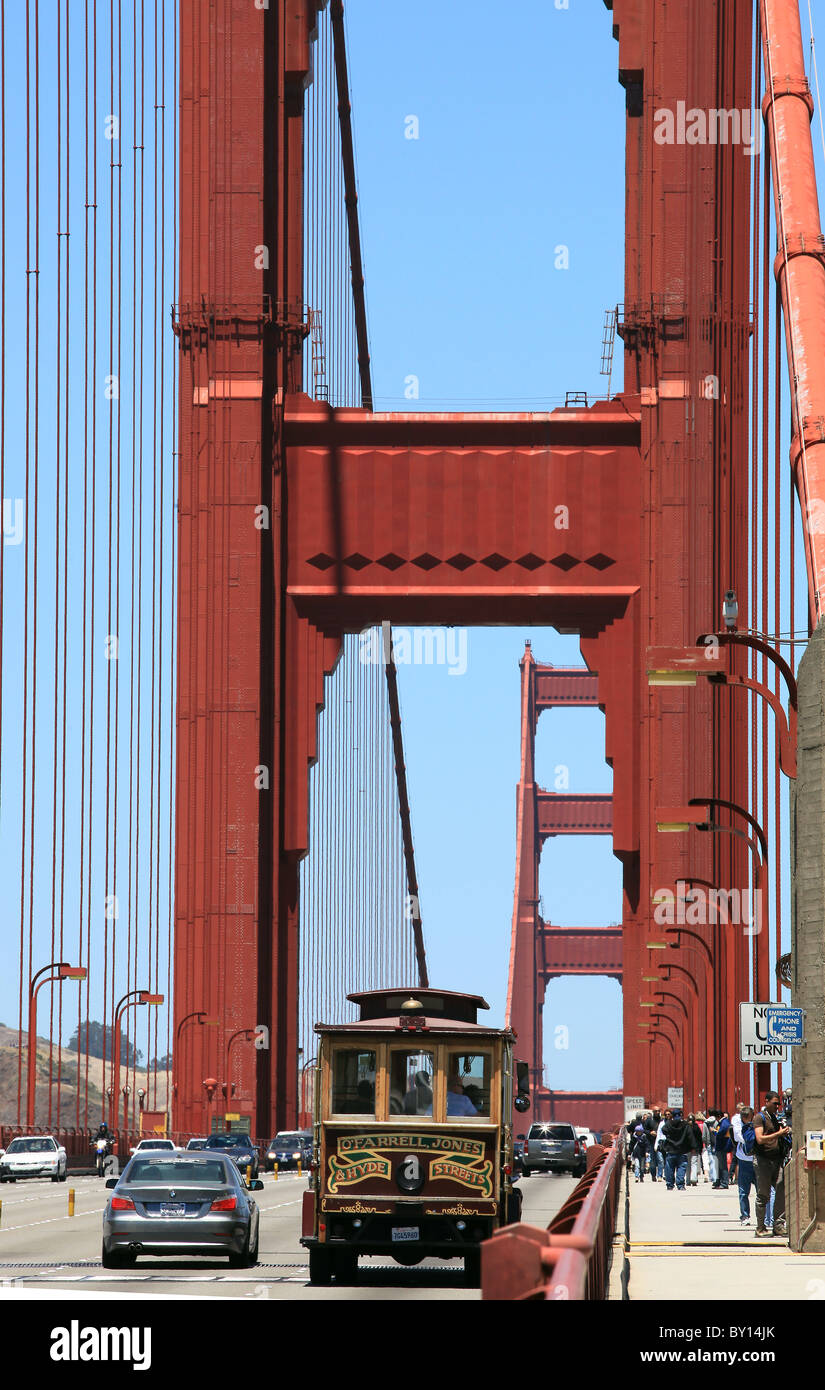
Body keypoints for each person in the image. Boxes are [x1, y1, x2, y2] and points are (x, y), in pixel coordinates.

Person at [753, 1091, 790, 1238]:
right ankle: (760, 1227)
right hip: (763, 1160)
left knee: (781, 1189)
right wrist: (779, 1134)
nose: (777, 1106)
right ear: (766, 1101)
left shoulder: (774, 1118)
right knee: (763, 1195)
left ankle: (778, 1225)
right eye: (774, 1103)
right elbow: (760, 1139)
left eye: (778, 1104)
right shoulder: (759, 1118)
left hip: (776, 1160)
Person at [661, 1110, 694, 1191]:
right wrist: (693, 1147)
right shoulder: (685, 1125)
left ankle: (670, 1185)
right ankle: (680, 1185)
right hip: (682, 1150)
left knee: (669, 1168)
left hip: (671, 1149)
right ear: (681, 1115)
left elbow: (663, 1130)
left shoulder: (668, 1124)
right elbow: (690, 1136)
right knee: (681, 1168)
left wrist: (669, 1135)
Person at [735, 1107, 756, 1224]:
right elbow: (739, 1137)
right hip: (744, 1159)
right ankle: (745, 1215)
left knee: (760, 1191)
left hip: (755, 1160)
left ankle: (764, 1218)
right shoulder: (737, 1123)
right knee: (743, 1191)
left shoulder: (757, 1123)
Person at [713, 1111, 733, 1189]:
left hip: (722, 1146)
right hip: (721, 1146)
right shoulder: (724, 1122)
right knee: (721, 1165)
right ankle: (720, 1181)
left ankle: (724, 1183)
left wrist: (714, 1131)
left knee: (723, 1165)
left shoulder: (724, 1122)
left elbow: (721, 1132)